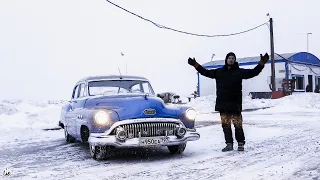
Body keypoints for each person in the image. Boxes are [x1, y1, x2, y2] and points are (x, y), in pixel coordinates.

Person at [188, 52, 269, 152]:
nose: (231, 59)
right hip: (223, 104)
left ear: (235, 60)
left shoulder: (239, 72)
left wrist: (261, 63)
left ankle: (240, 144)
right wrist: (196, 65)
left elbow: (253, 72)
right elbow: (206, 72)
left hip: (235, 104)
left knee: (238, 125)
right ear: (226, 60)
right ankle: (229, 144)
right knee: (226, 126)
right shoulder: (219, 72)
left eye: (233, 58)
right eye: (229, 58)